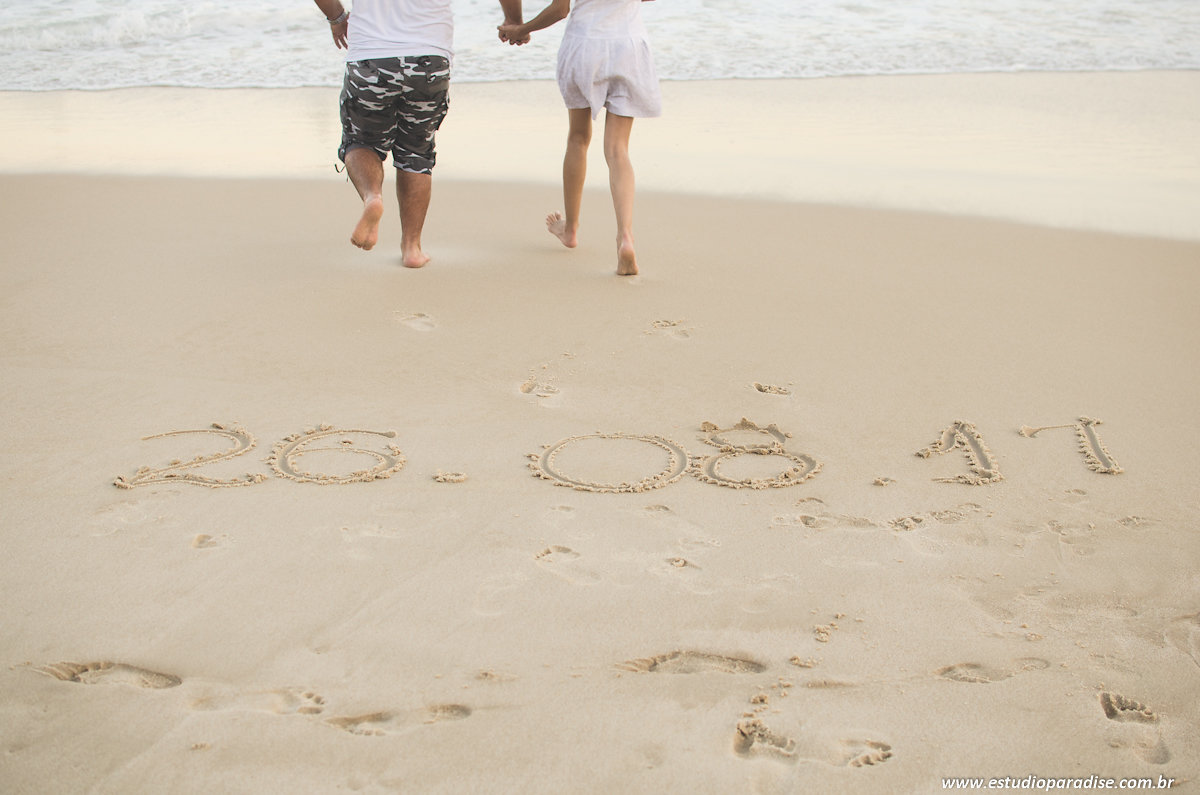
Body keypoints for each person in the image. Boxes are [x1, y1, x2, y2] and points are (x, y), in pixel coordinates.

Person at [315, 0, 524, 267]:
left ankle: (373, 197)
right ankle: (412, 248)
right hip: (430, 59)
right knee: (416, 151)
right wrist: (513, 21)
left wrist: (337, 18)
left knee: (361, 141)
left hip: (370, 57)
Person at [499, 0, 660, 276]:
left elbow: (561, 9)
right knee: (617, 149)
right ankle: (625, 238)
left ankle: (571, 228)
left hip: (585, 44)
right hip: (629, 44)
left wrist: (522, 29)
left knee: (578, 138)